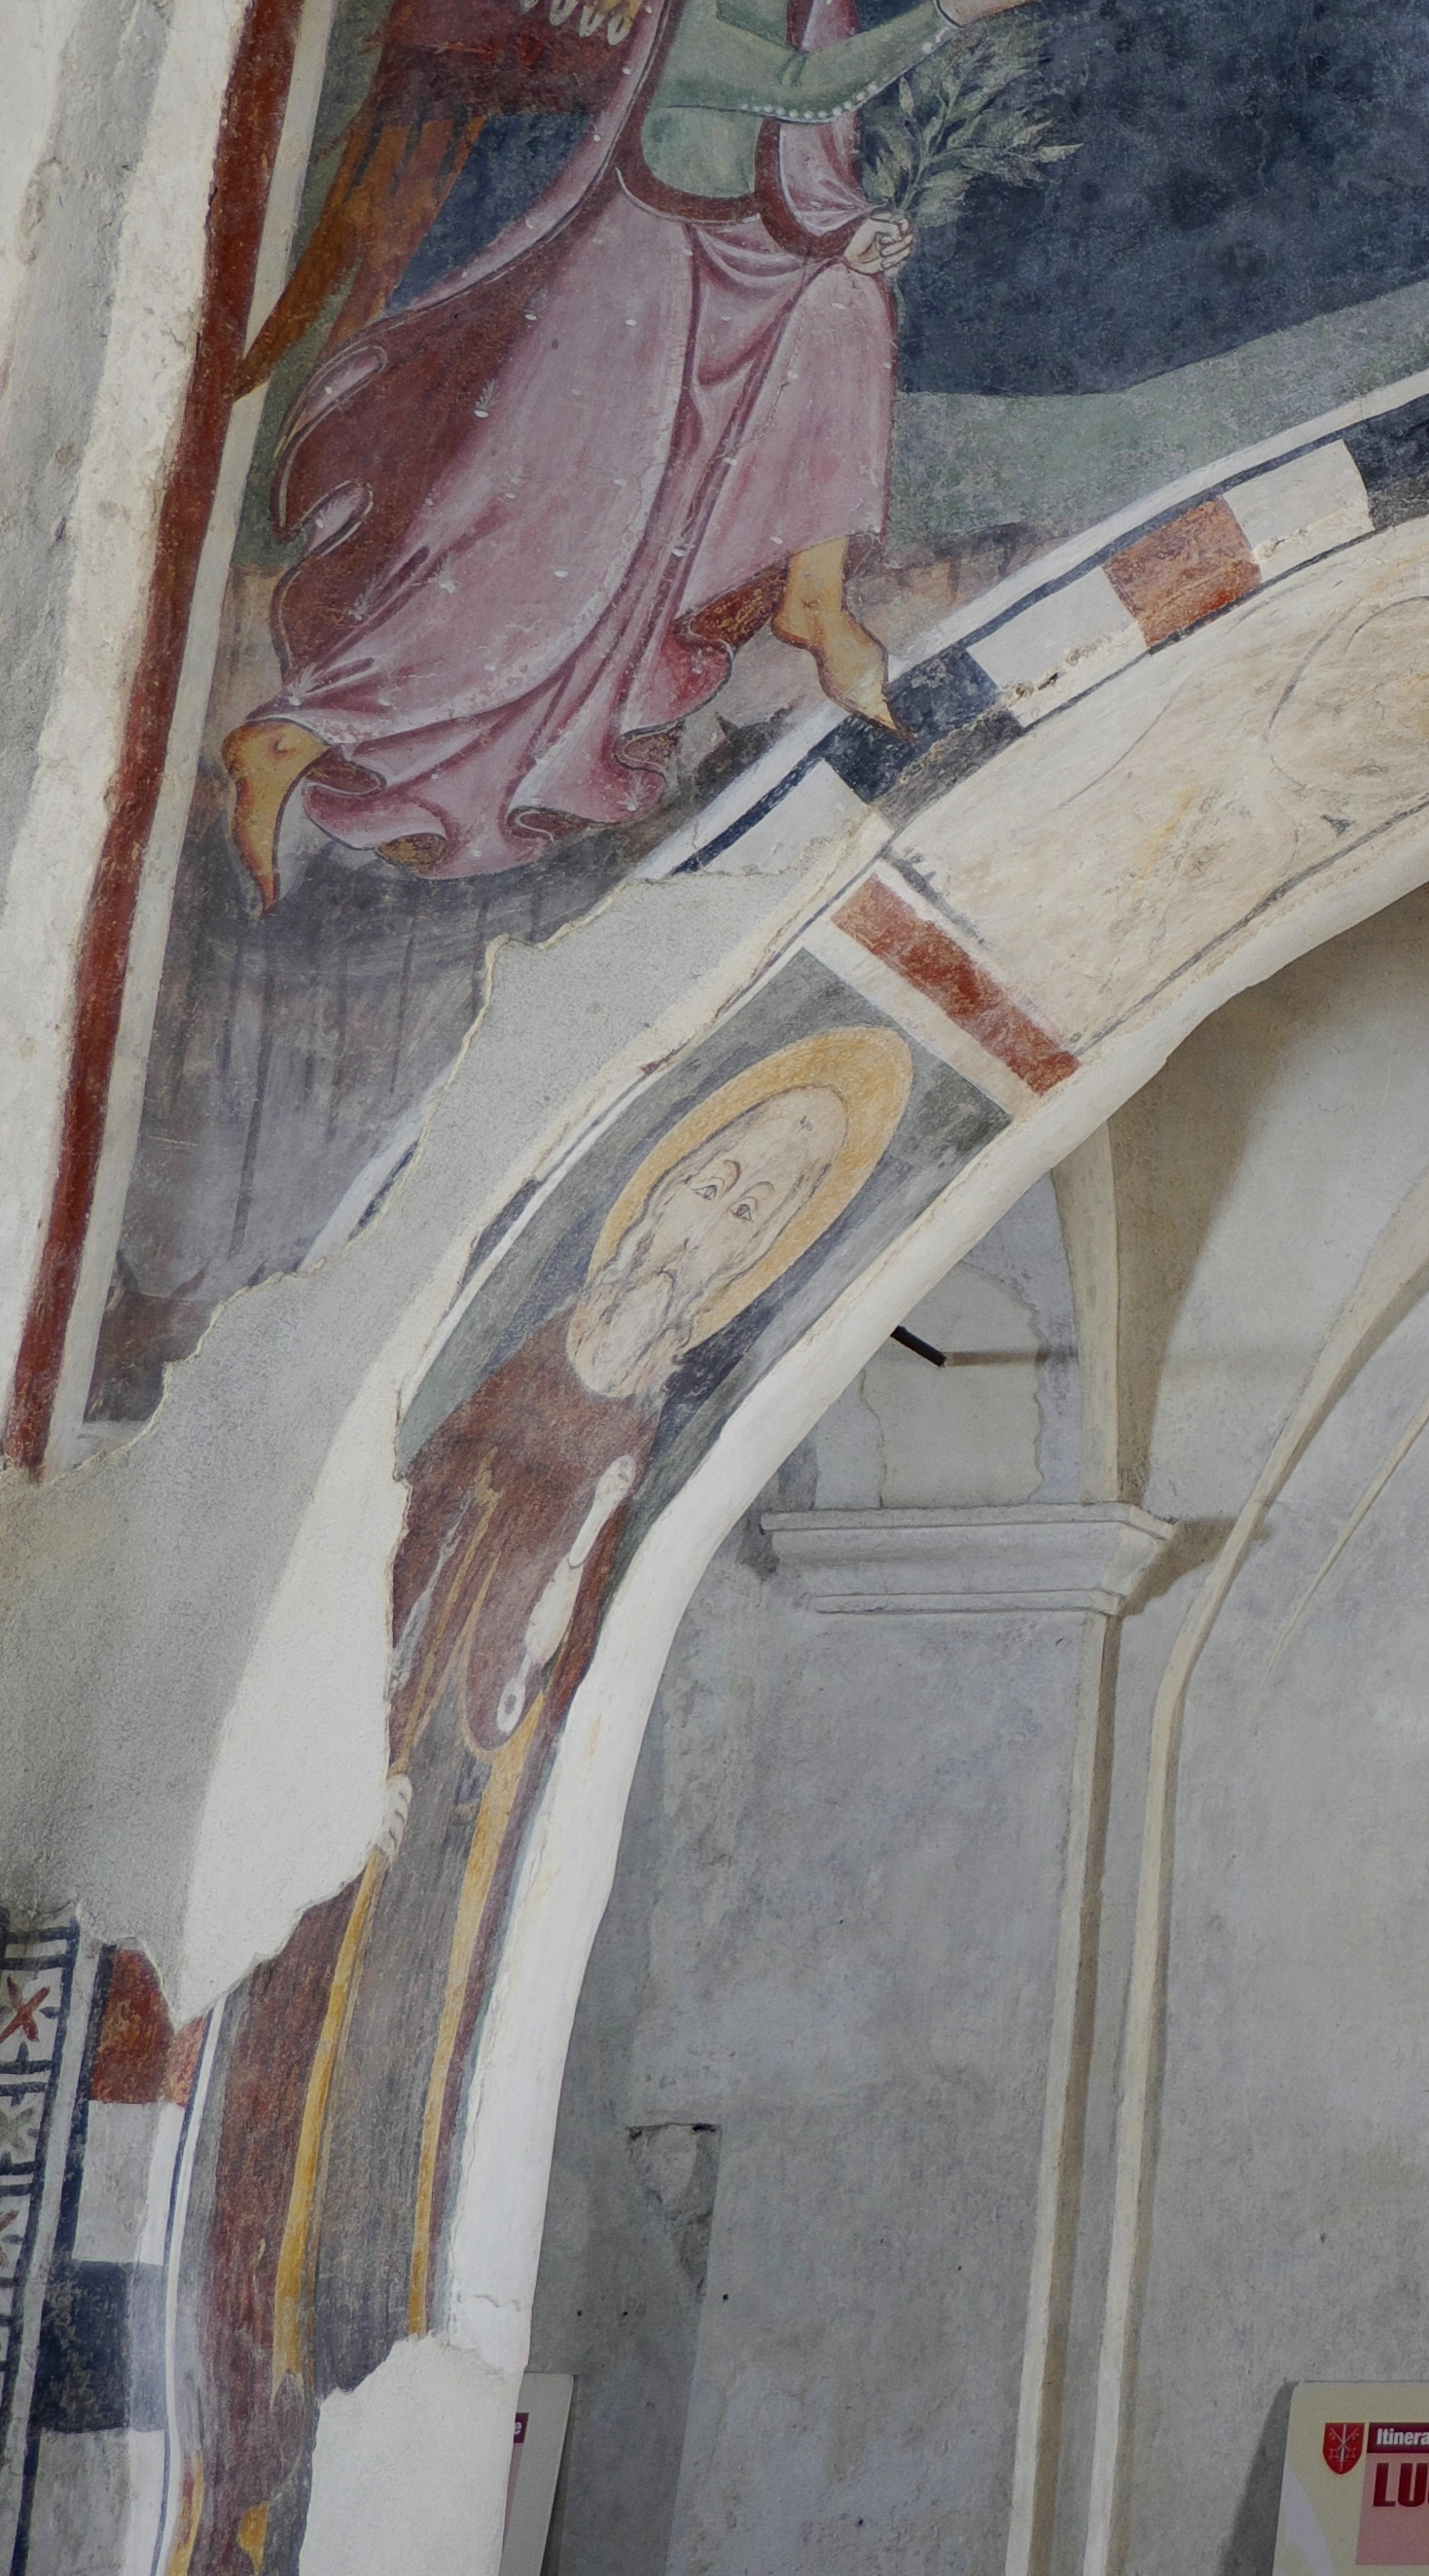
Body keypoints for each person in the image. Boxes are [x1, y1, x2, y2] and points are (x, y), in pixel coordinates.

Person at [166, 1027, 912, 2576]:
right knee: (254, 2128)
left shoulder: (650, 1414)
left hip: (450, 1843)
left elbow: (560, 1619)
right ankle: (216, 2450)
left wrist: (487, 1713)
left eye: (748, 1214)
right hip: (342, 1798)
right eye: (709, 1181)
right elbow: (395, 1528)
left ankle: (294, 2475)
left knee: (379, 2153)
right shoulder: (524, 1339)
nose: (708, 1221)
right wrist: (348, 1746)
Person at [220, 0, 1079, 907]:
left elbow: (790, 150)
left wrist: (845, 229)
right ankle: (308, 731)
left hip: (733, 262)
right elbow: (786, 90)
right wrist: (950, 9)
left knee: (841, 317)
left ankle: (817, 607)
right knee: (548, 543)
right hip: (636, 280)